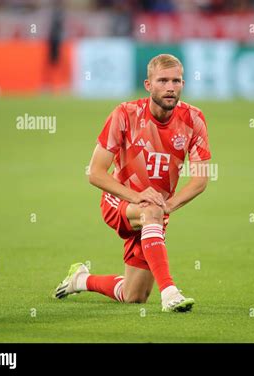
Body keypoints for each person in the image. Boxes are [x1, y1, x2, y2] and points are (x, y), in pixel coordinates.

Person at [53, 54, 211, 312]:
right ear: (148, 85)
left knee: (134, 295)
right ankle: (170, 292)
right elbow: (95, 173)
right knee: (150, 211)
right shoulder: (125, 114)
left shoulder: (193, 119)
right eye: (162, 81)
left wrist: (169, 205)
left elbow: (201, 179)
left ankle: (80, 279)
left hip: (155, 210)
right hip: (120, 201)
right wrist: (135, 196)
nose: (170, 87)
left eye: (176, 81)